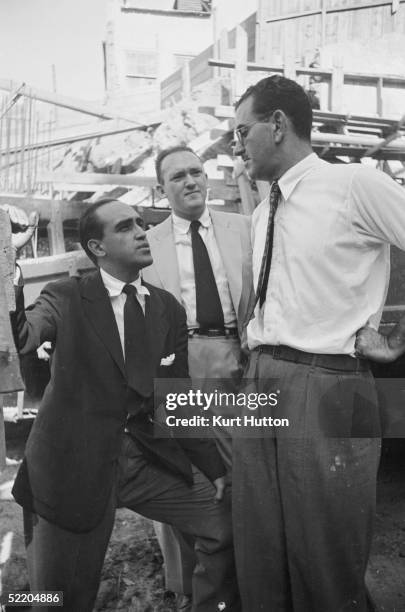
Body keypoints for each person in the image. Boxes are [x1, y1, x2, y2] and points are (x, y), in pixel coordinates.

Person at [8, 199, 240, 612]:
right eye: (125, 227)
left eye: (140, 223)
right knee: (53, 598)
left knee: (225, 526)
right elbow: (21, 338)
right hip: (68, 468)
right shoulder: (64, 296)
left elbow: (176, 398)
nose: (140, 231)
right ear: (97, 248)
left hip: (145, 458)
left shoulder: (168, 307)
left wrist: (212, 466)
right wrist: (7, 264)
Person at [232, 74, 405, 612]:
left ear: (278, 124)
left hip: (328, 384)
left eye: (243, 131)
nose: (237, 146)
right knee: (262, 547)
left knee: (326, 556)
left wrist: (400, 338)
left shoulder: (355, 185)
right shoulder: (263, 211)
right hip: (261, 381)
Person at [142, 145, 252, 611]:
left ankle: (245, 578)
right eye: (177, 177)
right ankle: (188, 584)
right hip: (179, 363)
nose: (190, 182)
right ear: (162, 188)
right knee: (186, 475)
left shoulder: (244, 228)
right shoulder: (148, 243)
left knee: (243, 474)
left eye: (196, 172)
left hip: (238, 358)